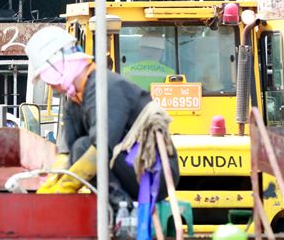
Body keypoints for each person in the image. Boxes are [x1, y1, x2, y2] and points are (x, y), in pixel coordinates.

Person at [25, 26, 179, 208]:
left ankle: (123, 213)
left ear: (60, 67)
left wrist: (67, 186)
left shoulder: (107, 88)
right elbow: (67, 151)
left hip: (153, 172)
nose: (51, 86)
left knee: (84, 146)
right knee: (78, 147)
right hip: (126, 167)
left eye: (48, 77)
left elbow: (101, 148)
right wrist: (53, 180)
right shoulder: (76, 99)